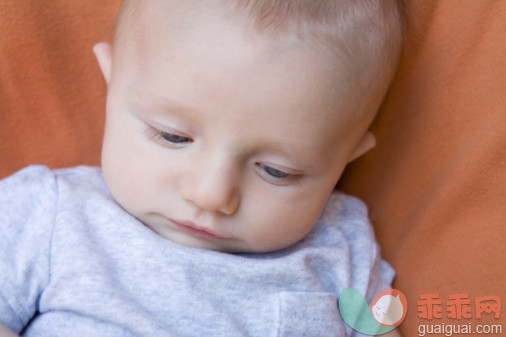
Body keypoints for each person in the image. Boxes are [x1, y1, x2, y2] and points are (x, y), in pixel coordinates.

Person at [0, 0, 404, 336]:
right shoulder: (49, 214)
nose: (211, 195)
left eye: (276, 171)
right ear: (112, 84)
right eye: (173, 136)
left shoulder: (342, 247)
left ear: (345, 157)